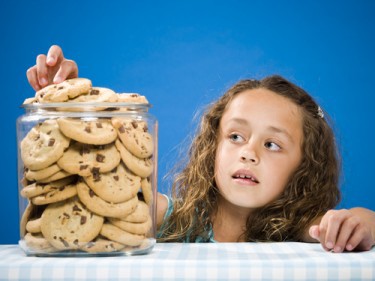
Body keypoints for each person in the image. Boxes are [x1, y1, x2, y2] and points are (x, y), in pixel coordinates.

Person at [27, 45, 375, 253]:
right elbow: (91, 189)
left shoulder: (297, 229)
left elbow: (351, 225)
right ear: (213, 148)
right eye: (235, 137)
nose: (248, 152)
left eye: (271, 144)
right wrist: (71, 106)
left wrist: (358, 223)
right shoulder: (173, 219)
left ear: (304, 166)